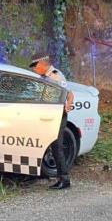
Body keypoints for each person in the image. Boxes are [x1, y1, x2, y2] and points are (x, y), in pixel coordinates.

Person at [30, 54, 74, 190]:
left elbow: (69, 93)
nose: (34, 70)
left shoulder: (55, 76)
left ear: (42, 64)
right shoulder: (43, 77)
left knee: (57, 146)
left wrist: (68, 105)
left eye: (35, 66)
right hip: (46, 115)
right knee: (48, 145)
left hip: (57, 116)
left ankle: (64, 179)